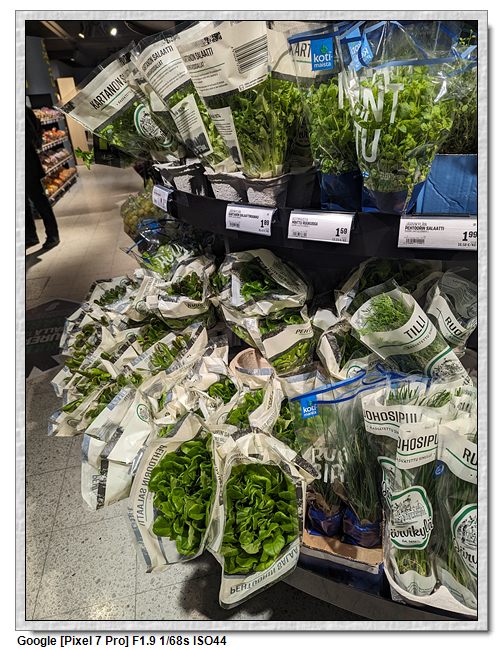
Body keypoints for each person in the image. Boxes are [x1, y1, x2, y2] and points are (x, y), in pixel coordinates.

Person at [25, 104, 60, 250]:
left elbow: (31, 133)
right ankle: (30, 236)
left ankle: (53, 235)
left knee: (38, 199)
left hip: (26, 163)